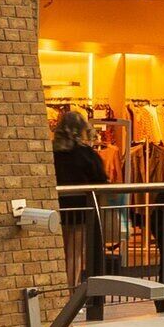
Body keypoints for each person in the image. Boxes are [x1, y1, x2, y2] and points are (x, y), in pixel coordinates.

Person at [52, 108, 115, 284]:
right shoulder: (86, 154)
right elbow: (101, 179)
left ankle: (59, 289)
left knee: (61, 251)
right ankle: (71, 293)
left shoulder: (52, 153)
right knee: (75, 253)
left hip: (56, 207)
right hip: (81, 208)